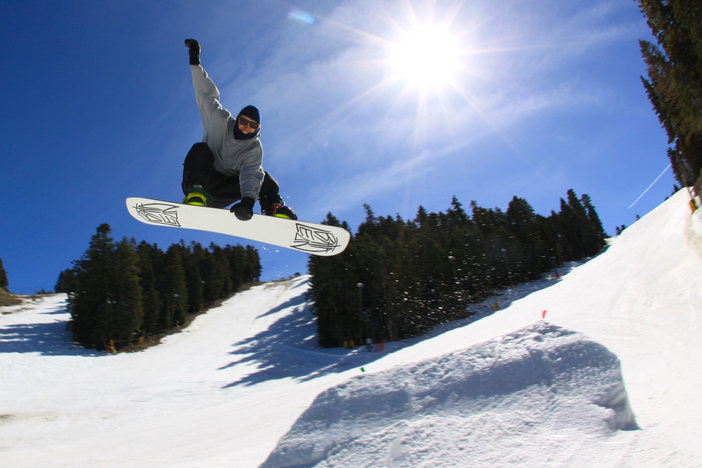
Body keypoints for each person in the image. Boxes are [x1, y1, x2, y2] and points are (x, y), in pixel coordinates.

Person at [181, 39, 296, 221]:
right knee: (200, 150)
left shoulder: (253, 148)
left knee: (264, 178)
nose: (246, 128)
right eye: (243, 121)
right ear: (237, 120)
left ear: (257, 129)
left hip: (226, 190)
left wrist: (248, 202)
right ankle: (196, 193)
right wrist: (195, 62)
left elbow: (250, 174)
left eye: (252, 126)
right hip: (205, 181)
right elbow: (205, 95)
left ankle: (274, 208)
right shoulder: (219, 120)